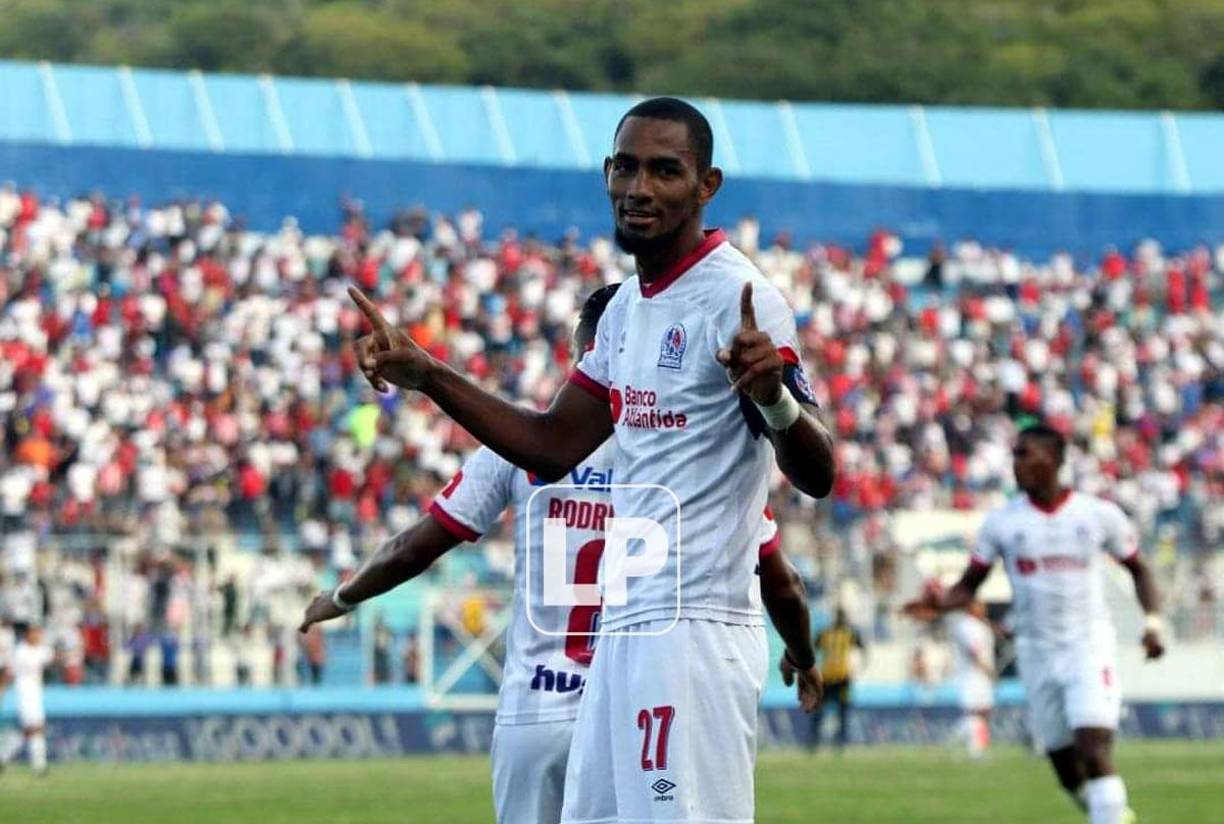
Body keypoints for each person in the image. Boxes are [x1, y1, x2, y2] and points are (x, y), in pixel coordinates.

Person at [348, 96, 835, 821]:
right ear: (607, 172)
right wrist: (431, 377)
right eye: (627, 168)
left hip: (692, 631)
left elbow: (819, 475)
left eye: (666, 171)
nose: (640, 188)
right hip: (624, 628)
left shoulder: (740, 298)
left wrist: (773, 399)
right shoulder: (627, 310)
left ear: (707, 186)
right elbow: (552, 444)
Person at [303, 284, 824, 823]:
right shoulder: (686, 461)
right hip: (638, 706)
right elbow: (780, 581)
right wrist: (803, 656)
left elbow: (414, 547)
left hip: (537, 712)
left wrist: (342, 597)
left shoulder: (515, 447)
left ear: (583, 362)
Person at [905, 424, 1165, 824]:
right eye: (1014, 455)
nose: (1016, 463)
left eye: (1025, 454)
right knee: (1067, 770)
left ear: (1055, 460)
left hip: (1088, 647)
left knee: (1094, 750)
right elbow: (969, 585)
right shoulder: (1002, 523)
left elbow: (1139, 569)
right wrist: (940, 604)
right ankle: (1115, 815)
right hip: (1036, 653)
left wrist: (1152, 623)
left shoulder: (1097, 515)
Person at [809, 606, 866, 753]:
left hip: (839, 678)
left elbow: (812, 650)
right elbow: (863, 650)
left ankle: (834, 743)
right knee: (830, 711)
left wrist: (859, 668)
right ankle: (818, 742)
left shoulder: (831, 633)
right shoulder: (841, 634)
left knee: (839, 711)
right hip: (832, 678)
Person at [0, 624, 54, 775]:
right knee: (36, 727)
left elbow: (52, 658)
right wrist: (2, 690)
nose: (37, 636)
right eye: (34, 633)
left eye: (39, 633)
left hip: (37, 694)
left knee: (31, 730)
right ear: (27, 634)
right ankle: (39, 765)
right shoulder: (20, 652)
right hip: (24, 693)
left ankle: (4, 756)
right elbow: (8, 672)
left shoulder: (41, 650)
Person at [949, 599, 995, 759]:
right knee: (975, 711)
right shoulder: (967, 626)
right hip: (972, 675)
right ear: (970, 607)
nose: (984, 608)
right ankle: (973, 747)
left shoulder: (981, 625)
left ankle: (965, 740)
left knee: (983, 710)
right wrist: (987, 669)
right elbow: (973, 651)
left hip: (980, 675)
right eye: (979, 605)